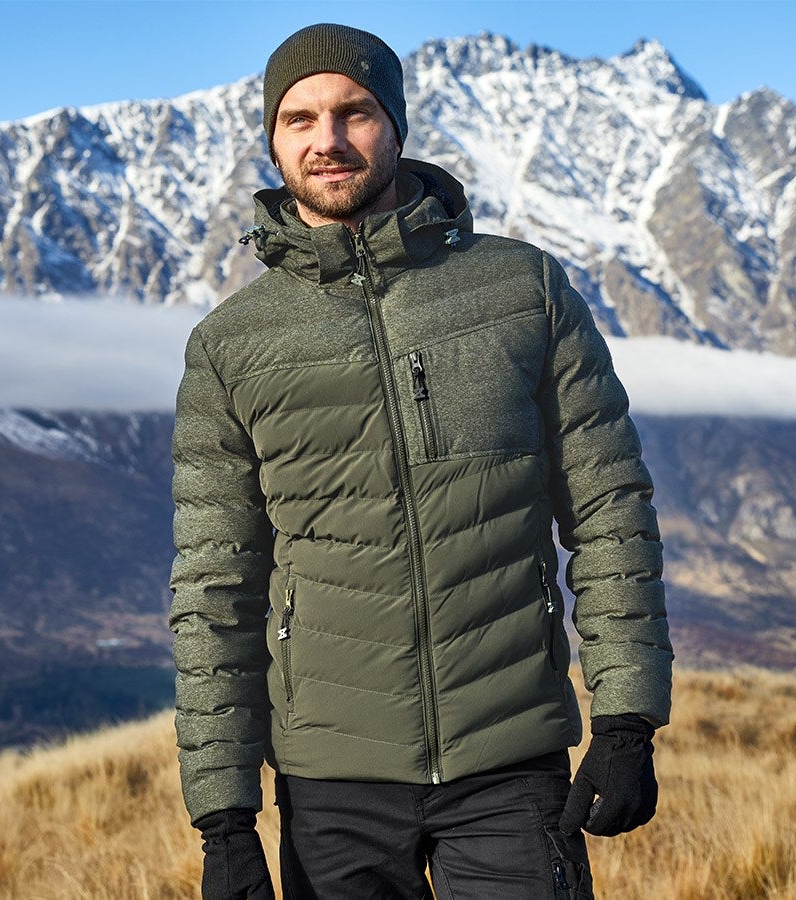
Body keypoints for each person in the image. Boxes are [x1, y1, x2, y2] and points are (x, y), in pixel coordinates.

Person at [169, 23, 672, 900]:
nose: (327, 140)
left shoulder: (524, 290)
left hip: (510, 761)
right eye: (299, 120)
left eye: (354, 112)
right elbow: (216, 583)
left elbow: (609, 509)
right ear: (272, 142)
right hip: (331, 785)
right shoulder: (229, 346)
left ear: (396, 126)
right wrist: (223, 818)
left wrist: (627, 718)